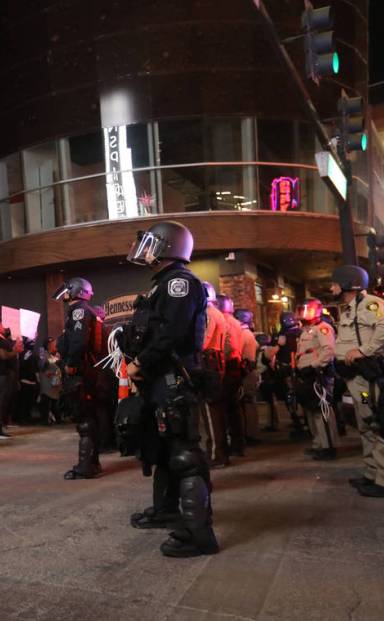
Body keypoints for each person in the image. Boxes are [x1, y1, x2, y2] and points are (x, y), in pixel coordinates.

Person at [116, 220, 218, 557]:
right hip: (161, 378)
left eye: (152, 244)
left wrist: (140, 363)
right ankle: (168, 510)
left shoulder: (179, 283)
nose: (146, 250)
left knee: (184, 453)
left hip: (175, 377)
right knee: (163, 450)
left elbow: (171, 334)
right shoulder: (165, 283)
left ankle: (198, 532)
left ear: (168, 246)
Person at [331, 265, 384, 497]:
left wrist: (364, 350)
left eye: (334, 282)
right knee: (365, 424)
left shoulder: (369, 302)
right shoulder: (350, 308)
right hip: (356, 379)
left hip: (368, 376)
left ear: (346, 282)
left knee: (378, 424)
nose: (331, 287)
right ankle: (373, 474)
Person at [55, 277, 105, 479]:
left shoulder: (79, 311)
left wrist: (71, 364)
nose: (64, 293)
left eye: (67, 290)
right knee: (90, 418)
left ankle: (85, 466)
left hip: (80, 371)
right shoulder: (87, 311)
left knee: (84, 420)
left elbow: (78, 342)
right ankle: (92, 463)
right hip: (90, 370)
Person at [293, 298, 339, 461]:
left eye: (305, 309)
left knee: (322, 410)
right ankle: (318, 443)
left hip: (318, 374)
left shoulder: (323, 328)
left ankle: (328, 446)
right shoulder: (306, 330)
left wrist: (314, 366)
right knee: (312, 411)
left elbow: (329, 351)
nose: (302, 313)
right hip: (307, 375)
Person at [200, 283, 228, 466]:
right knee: (216, 411)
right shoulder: (218, 313)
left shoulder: (209, 314)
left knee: (209, 411)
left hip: (208, 360)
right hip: (215, 361)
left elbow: (204, 340)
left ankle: (215, 455)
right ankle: (220, 452)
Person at [216, 294, 245, 460]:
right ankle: (238, 445)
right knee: (234, 409)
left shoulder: (224, 321)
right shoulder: (235, 321)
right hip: (236, 366)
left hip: (228, 367)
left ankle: (227, 447)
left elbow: (226, 347)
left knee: (223, 410)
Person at [234, 309, 261, 446]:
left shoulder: (243, 334)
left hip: (247, 372)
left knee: (248, 403)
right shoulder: (248, 333)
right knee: (248, 403)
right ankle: (251, 432)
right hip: (249, 371)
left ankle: (251, 434)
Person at [37, 337, 63, 425]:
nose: (55, 345)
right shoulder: (43, 353)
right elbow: (41, 365)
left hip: (54, 381)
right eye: (53, 343)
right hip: (47, 382)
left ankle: (57, 418)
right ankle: (46, 419)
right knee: (47, 401)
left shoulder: (54, 354)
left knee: (55, 401)